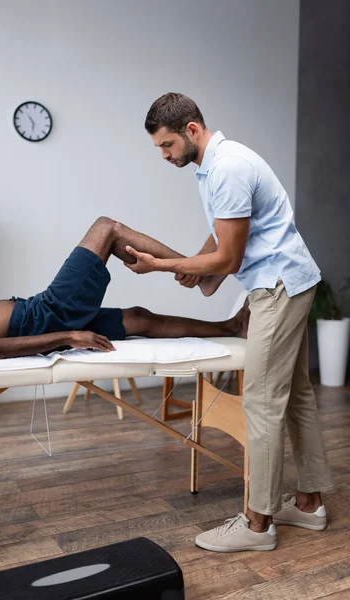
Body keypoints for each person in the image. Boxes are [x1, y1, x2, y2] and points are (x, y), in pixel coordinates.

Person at [121, 92, 333, 552]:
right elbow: (225, 233)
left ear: (191, 131)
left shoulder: (229, 168)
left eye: (166, 146)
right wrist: (201, 272)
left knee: (259, 399)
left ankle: (258, 524)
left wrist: (162, 265)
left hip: (278, 286)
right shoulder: (214, 167)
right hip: (284, 281)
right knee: (294, 395)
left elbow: (230, 254)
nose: (164, 156)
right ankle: (310, 504)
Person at [0, 216, 249, 363]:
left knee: (139, 317)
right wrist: (67, 336)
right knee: (107, 229)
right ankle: (201, 274)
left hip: (36, 315)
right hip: (42, 318)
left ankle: (231, 327)